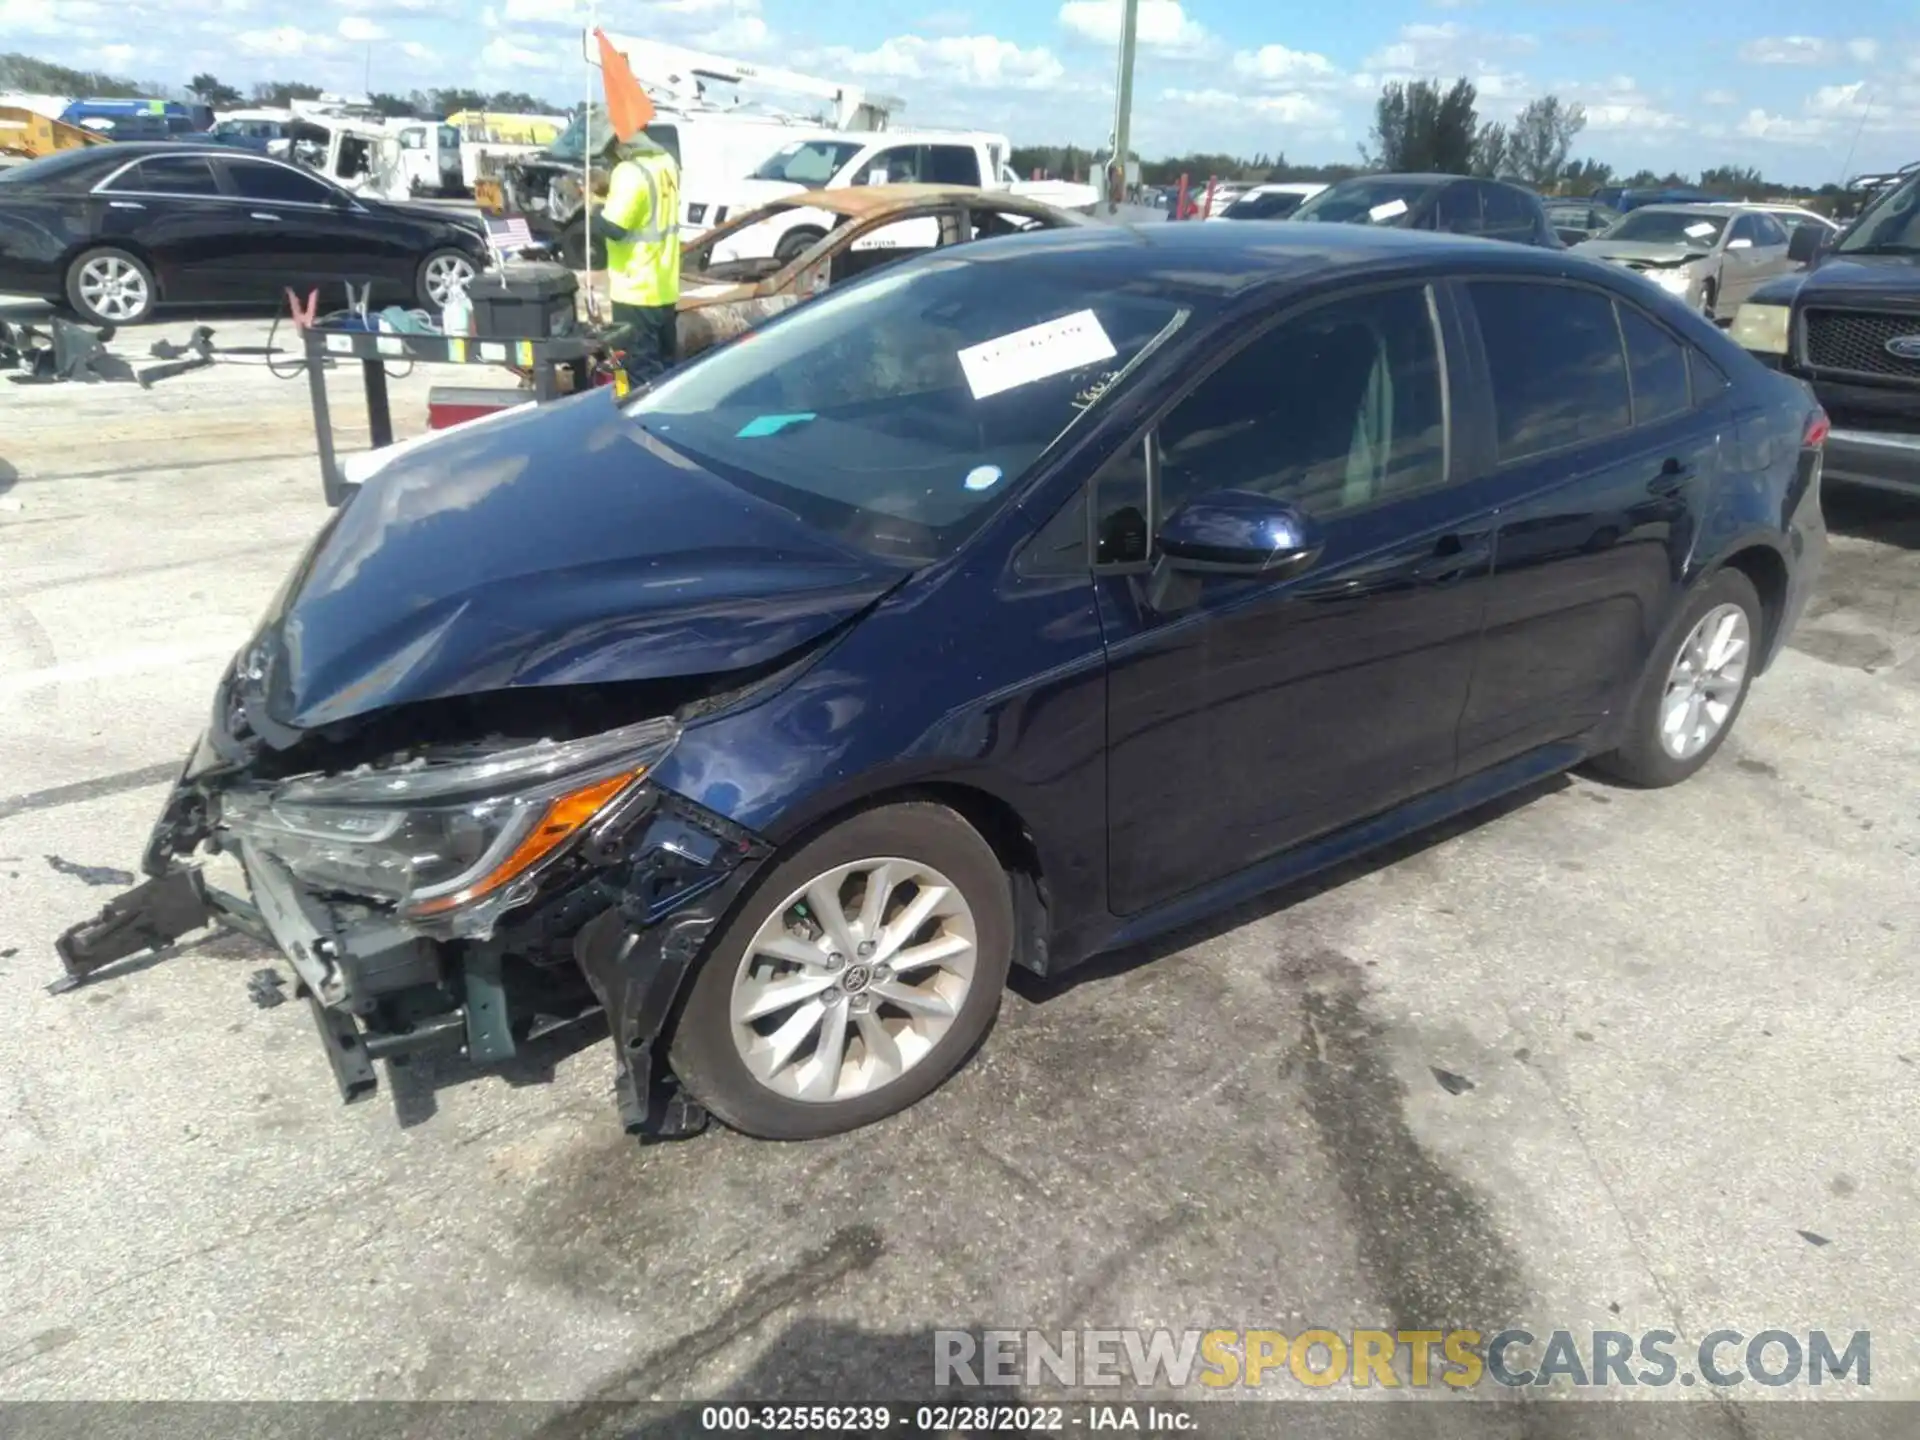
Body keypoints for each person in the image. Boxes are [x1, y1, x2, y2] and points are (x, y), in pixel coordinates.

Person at [595, 130, 681, 386]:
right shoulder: (666, 162)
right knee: (665, 369)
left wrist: (591, 207)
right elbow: (645, 208)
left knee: (639, 375)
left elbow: (615, 228)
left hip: (635, 290)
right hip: (664, 287)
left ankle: (643, 424)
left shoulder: (630, 172)